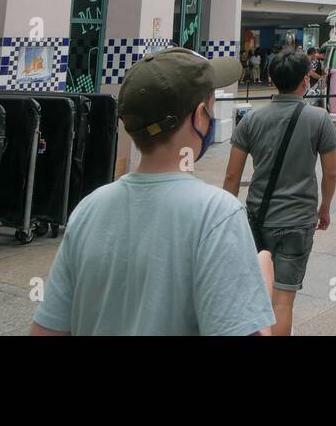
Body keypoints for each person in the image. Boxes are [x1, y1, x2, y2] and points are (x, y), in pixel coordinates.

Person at [32, 48, 276, 335]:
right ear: (200, 117)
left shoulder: (89, 208)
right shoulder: (217, 213)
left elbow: (47, 329)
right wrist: (260, 289)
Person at [222, 49, 336, 336]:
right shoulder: (319, 118)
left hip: (257, 219)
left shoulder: (251, 120)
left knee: (257, 296)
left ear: (272, 79)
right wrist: (324, 208)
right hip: (298, 220)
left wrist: (225, 218)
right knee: (283, 301)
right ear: (303, 82)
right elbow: (331, 172)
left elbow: (232, 175)